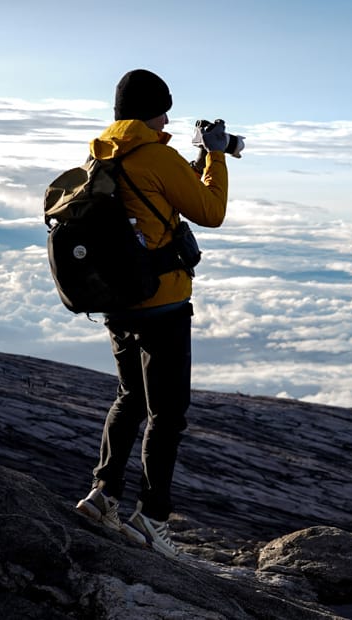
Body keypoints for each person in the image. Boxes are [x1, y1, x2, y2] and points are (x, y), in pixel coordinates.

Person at [74, 69, 234, 559]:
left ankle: (103, 496)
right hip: (162, 301)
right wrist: (216, 156)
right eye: (165, 108)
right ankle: (152, 519)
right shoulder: (157, 156)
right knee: (168, 414)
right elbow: (211, 211)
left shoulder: (101, 153)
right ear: (153, 110)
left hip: (117, 300)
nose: (168, 117)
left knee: (129, 398)